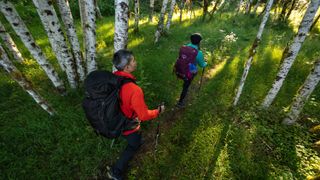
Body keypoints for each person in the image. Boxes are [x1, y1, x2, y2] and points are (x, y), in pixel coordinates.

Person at [107, 49, 165, 180]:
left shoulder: (113, 78)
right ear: (127, 67)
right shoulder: (134, 90)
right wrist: (158, 111)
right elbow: (143, 116)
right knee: (134, 145)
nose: (135, 62)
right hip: (127, 125)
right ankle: (116, 172)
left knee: (131, 139)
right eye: (133, 60)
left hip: (113, 119)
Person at [176, 33, 207, 108]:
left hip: (179, 69)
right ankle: (180, 103)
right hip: (188, 72)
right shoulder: (198, 53)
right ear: (199, 42)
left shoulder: (184, 47)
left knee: (185, 83)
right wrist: (206, 63)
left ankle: (184, 84)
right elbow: (202, 65)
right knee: (186, 86)